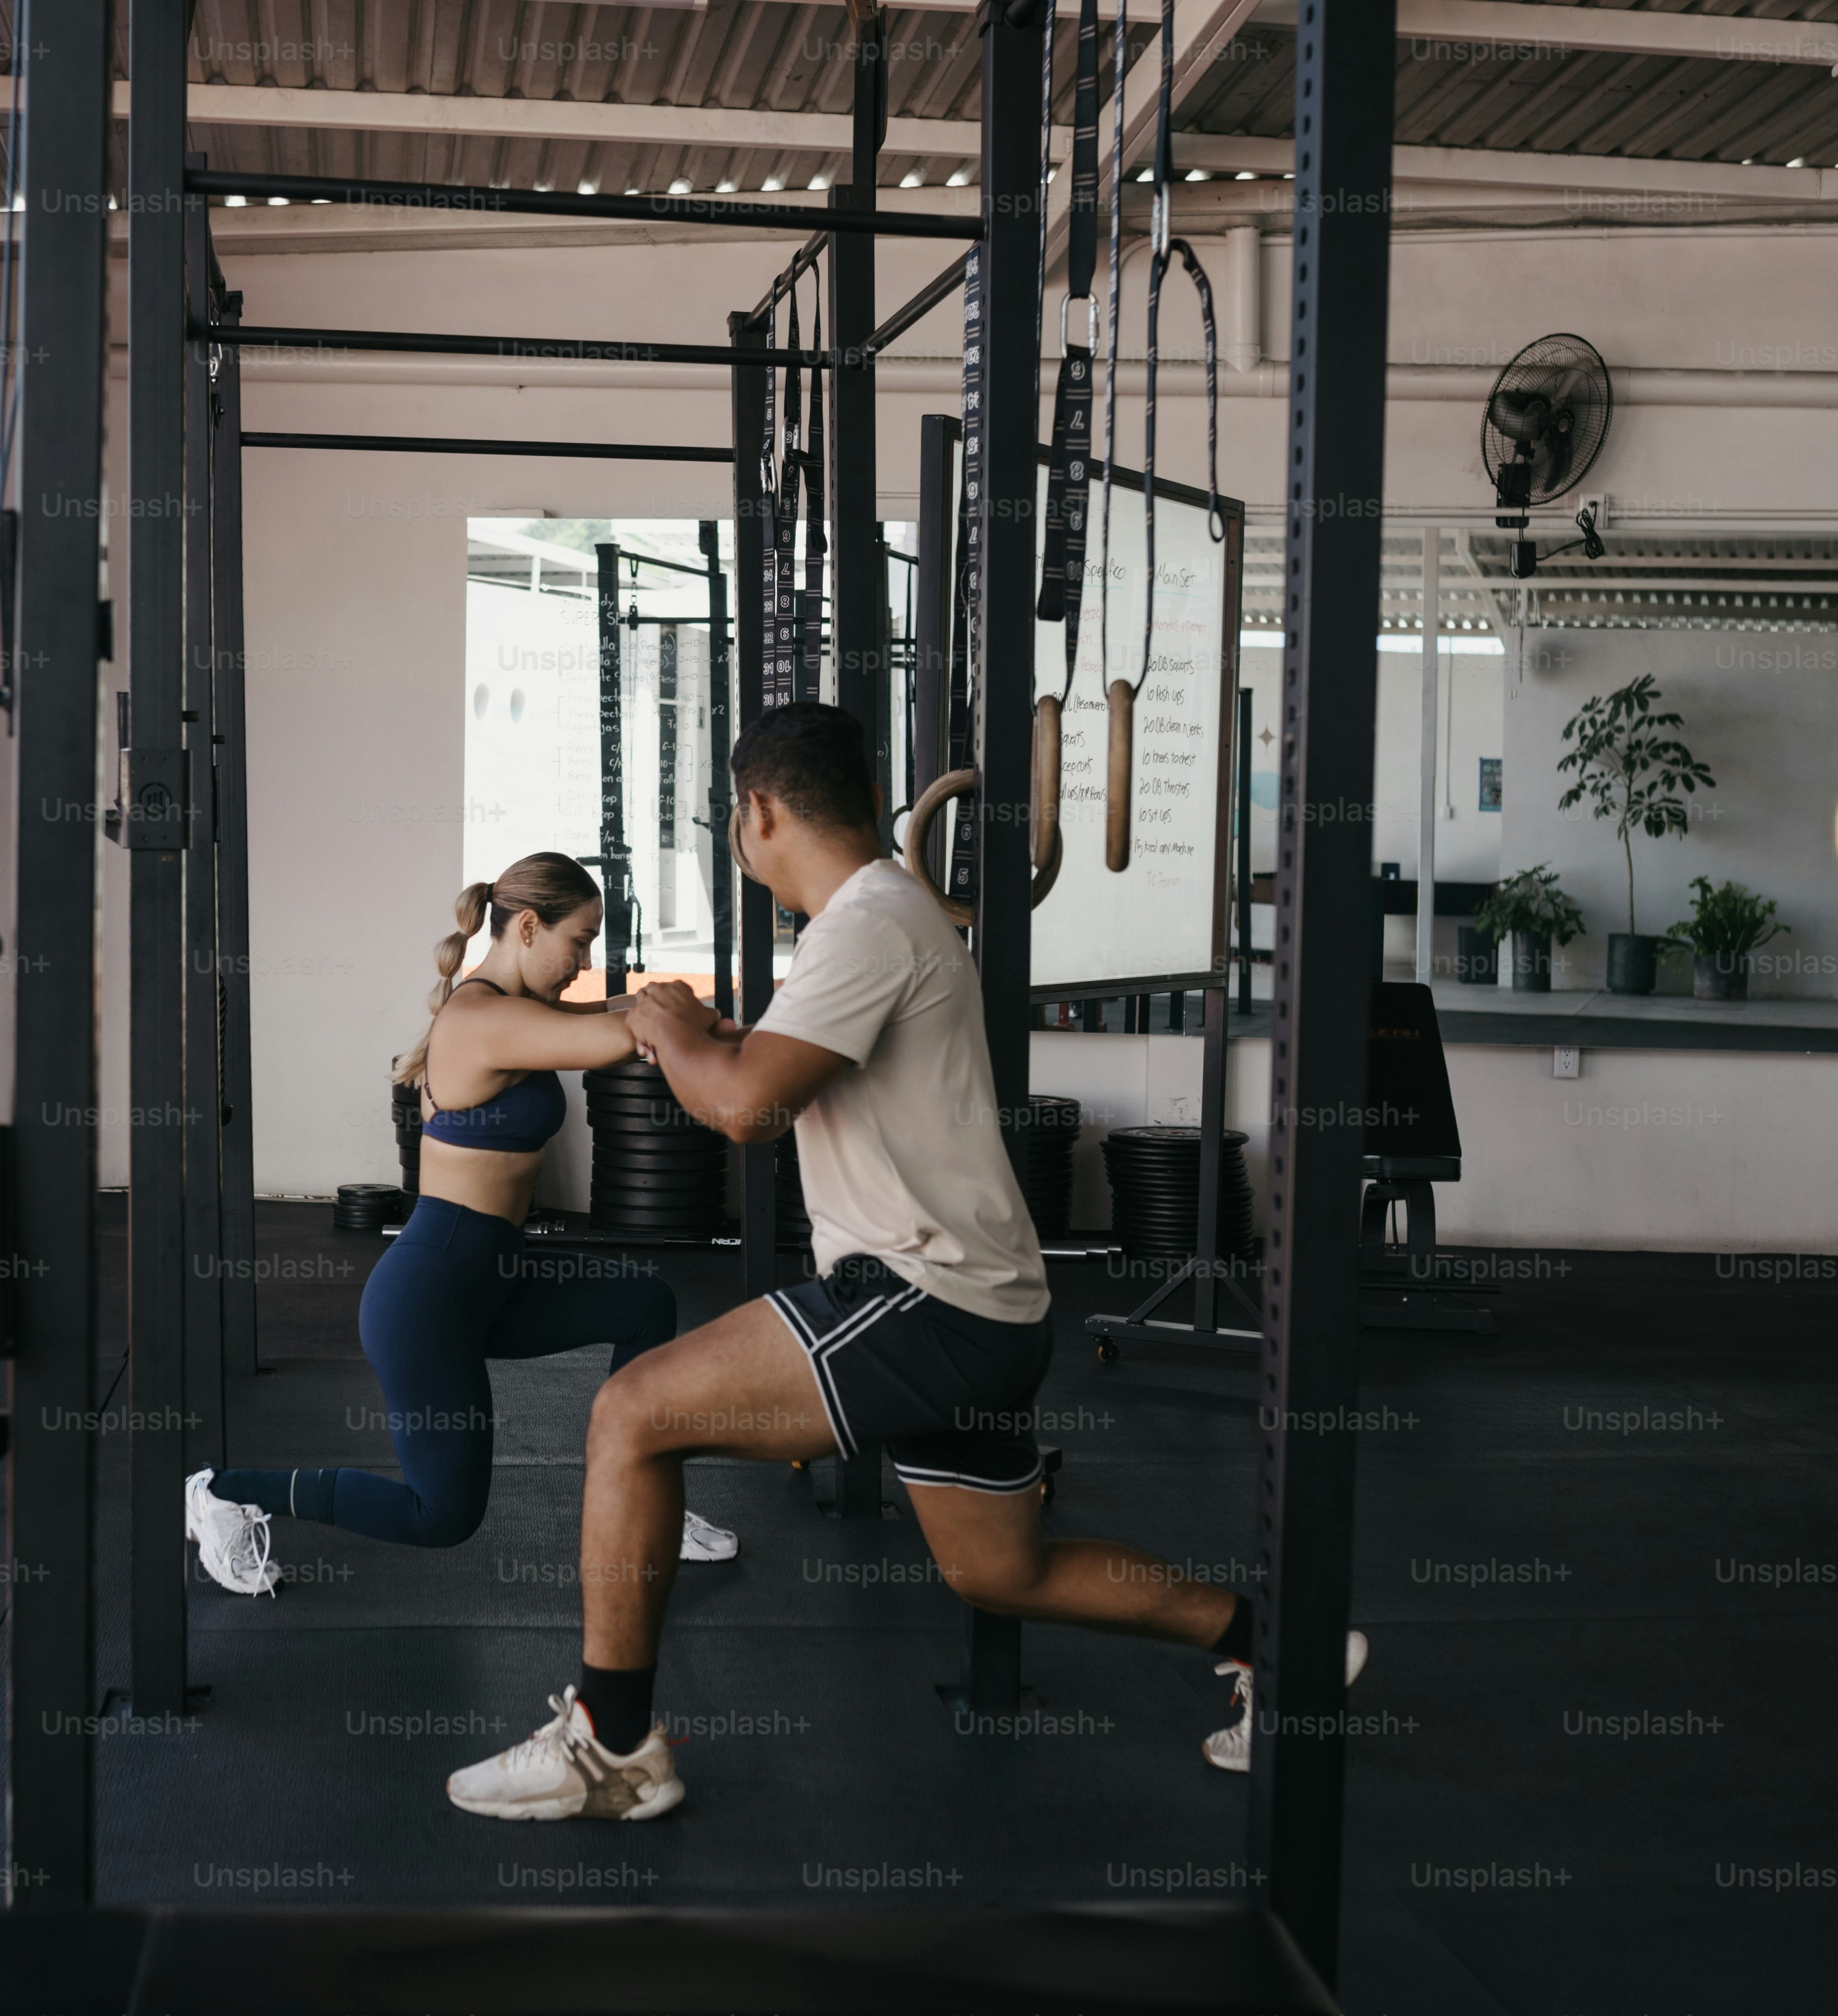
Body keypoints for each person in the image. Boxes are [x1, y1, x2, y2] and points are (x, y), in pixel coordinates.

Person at [442, 705, 1360, 1821]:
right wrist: (697, 1038)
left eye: (736, 815)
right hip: (988, 1308)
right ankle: (1282, 1648)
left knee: (631, 1412)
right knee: (999, 1572)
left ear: (758, 810)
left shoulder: (868, 923)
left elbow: (742, 1110)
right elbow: (769, 1072)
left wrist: (663, 1018)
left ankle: (613, 1740)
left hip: (922, 1299)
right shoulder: (867, 919)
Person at [185, 851, 740, 1595]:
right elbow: (615, 1038)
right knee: (441, 1515)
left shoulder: (516, 1011)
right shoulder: (480, 1019)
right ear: (530, 927)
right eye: (579, 940)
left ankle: (646, 1502)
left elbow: (606, 1014)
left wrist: (687, 1010)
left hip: (494, 1281)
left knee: (646, 1303)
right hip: (431, 1299)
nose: (584, 960)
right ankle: (223, 1491)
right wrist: (688, 1019)